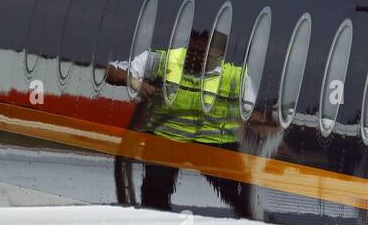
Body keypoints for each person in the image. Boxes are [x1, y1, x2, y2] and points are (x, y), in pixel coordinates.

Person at [106, 27, 258, 212]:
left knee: (241, 195)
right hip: (167, 138)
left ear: (220, 54)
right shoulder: (163, 60)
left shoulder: (236, 77)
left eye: (203, 54)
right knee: (155, 191)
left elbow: (252, 116)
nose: (195, 58)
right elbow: (111, 71)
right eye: (191, 52)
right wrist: (136, 82)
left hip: (214, 144)